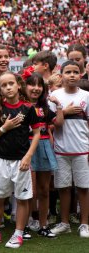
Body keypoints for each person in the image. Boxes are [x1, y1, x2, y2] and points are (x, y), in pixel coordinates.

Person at [0, 72, 40, 248]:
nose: (8, 87)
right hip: (1, 160)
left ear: (18, 85)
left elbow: (37, 133)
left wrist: (28, 156)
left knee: (23, 199)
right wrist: (5, 127)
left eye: (11, 83)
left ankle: (18, 234)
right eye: (4, 85)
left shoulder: (28, 108)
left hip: (22, 161)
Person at [49, 61, 89, 238]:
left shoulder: (87, 96)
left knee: (83, 187)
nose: (72, 75)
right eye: (68, 72)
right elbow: (52, 123)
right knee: (63, 188)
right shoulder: (54, 95)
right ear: (61, 74)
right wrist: (64, 110)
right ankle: (64, 222)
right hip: (61, 149)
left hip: (82, 149)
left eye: (75, 72)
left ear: (81, 74)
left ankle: (84, 224)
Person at [24, 72, 63, 238]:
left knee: (44, 190)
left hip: (45, 147)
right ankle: (24, 226)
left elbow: (58, 123)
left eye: (39, 85)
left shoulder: (45, 107)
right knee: (28, 191)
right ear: (24, 87)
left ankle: (43, 225)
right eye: (32, 84)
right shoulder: (20, 106)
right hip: (26, 148)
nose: (36, 88)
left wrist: (59, 106)